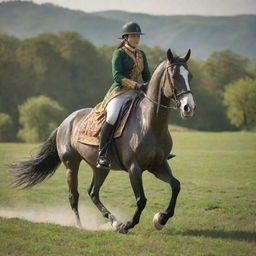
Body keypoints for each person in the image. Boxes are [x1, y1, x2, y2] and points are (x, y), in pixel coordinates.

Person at [96, 21, 151, 169]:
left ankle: (158, 149)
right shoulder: (118, 53)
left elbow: (147, 76)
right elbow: (117, 76)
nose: (136, 39)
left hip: (137, 93)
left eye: (138, 36)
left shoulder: (141, 54)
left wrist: (150, 87)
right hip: (120, 92)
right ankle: (102, 153)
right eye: (133, 36)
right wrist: (135, 84)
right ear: (125, 38)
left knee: (152, 112)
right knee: (112, 116)